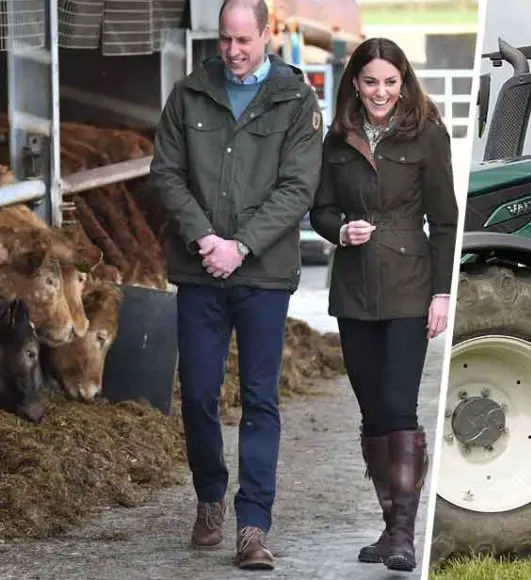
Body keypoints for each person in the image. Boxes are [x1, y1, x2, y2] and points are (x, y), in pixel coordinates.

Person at [148, 0, 323, 571]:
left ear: (267, 36)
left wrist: (241, 245)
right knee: (197, 393)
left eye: (244, 40)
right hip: (200, 269)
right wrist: (206, 239)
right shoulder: (189, 93)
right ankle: (210, 496)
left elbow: (298, 188)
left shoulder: (295, 100)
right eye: (226, 39)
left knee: (259, 398)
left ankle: (253, 525)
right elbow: (166, 174)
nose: (234, 51)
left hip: (264, 275)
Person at [309, 37, 458, 572]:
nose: (381, 92)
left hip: (408, 285)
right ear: (356, 82)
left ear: (403, 82)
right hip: (353, 290)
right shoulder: (337, 139)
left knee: (398, 406)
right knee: (372, 412)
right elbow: (319, 209)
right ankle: (389, 526)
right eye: (371, 82)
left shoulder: (427, 135)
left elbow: (445, 221)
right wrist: (338, 228)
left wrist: (442, 293)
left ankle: (403, 535)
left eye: (390, 82)